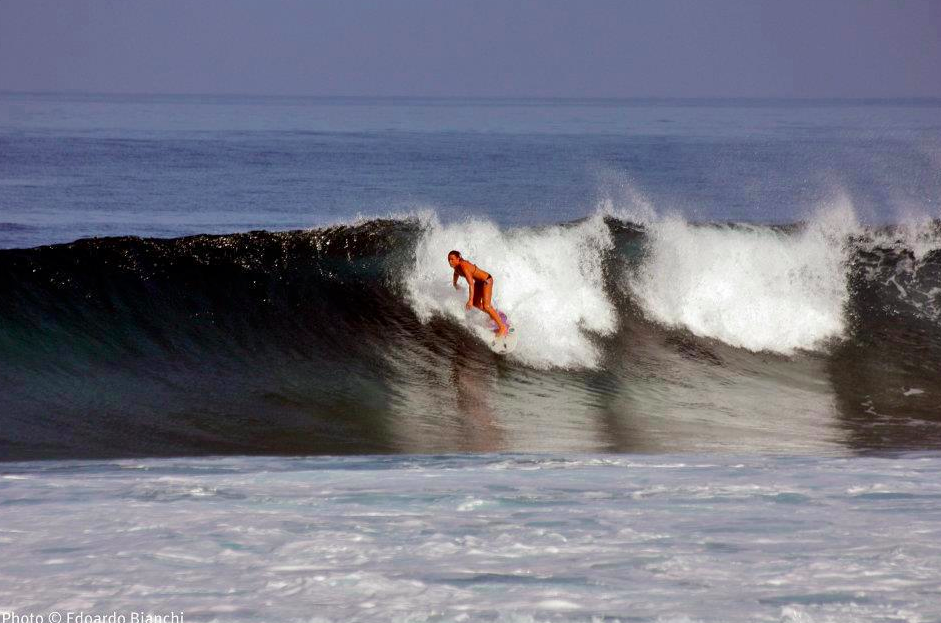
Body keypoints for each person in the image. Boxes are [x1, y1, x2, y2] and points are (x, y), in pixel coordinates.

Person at [448, 250, 508, 336]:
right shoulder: (456, 267)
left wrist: (470, 300)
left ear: (458, 259)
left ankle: (502, 327)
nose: (450, 261)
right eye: (449, 259)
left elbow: (471, 284)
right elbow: (456, 273)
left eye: (452, 259)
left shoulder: (464, 266)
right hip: (479, 282)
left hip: (486, 280)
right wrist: (455, 283)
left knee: (486, 306)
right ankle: (493, 314)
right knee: (476, 303)